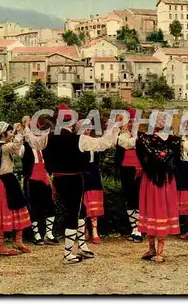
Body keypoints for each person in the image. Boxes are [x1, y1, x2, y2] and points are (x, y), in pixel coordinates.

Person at [42, 103, 120, 264]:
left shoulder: (48, 137)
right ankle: (68, 253)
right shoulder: (79, 139)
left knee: (80, 210)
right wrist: (113, 127)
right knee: (73, 213)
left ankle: (82, 246)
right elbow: (104, 144)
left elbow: (34, 143)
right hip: (74, 179)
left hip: (58, 178)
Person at [0, 121, 46, 256]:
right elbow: (15, 146)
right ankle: (1, 246)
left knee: (20, 207)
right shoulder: (1, 147)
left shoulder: (5, 146)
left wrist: (20, 135)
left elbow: (19, 152)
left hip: (9, 180)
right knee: (2, 213)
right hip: (3, 182)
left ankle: (18, 241)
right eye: (9, 132)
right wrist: (18, 132)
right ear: (3, 134)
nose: (10, 134)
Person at [136, 112, 181, 262]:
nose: (160, 121)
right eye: (157, 119)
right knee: (151, 210)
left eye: (163, 119)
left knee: (163, 210)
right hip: (151, 180)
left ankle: (160, 251)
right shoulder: (144, 139)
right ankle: (151, 248)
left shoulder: (174, 140)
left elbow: (176, 161)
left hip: (166, 180)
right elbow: (141, 157)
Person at [21, 116, 59, 246]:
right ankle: (36, 235)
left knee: (51, 206)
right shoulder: (25, 146)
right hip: (32, 179)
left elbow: (51, 160)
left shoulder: (44, 146)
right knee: (34, 207)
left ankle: (49, 234)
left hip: (44, 177)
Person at [115, 107, 144, 243]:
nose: (131, 124)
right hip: (126, 168)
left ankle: (139, 228)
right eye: (129, 121)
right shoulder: (121, 135)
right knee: (130, 197)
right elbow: (125, 143)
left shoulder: (140, 135)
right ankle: (134, 227)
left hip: (140, 169)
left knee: (139, 198)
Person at [78, 119, 105, 244]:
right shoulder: (78, 142)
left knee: (95, 204)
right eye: (85, 128)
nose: (88, 130)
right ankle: (84, 231)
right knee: (83, 205)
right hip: (82, 175)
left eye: (89, 128)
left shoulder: (93, 143)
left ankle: (94, 231)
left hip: (94, 175)